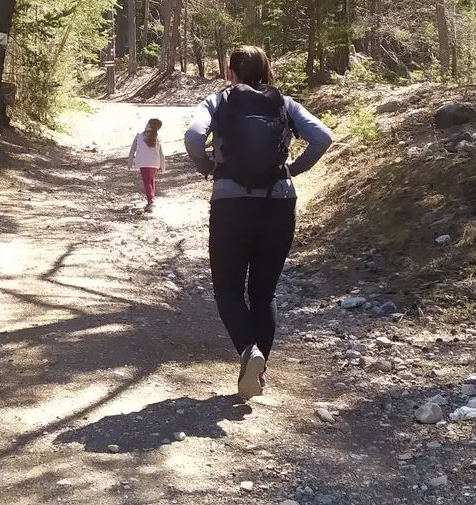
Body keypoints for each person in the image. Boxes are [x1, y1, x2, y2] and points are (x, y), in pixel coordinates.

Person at [184, 45, 334, 400]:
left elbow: (193, 136)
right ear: (267, 70)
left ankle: (248, 351)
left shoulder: (218, 100)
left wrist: (207, 166)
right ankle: (258, 370)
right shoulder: (284, 103)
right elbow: (322, 137)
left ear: (230, 73)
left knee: (228, 290)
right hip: (279, 203)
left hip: (231, 204)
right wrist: (292, 170)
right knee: (264, 292)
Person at [128, 118, 166, 212]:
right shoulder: (157, 138)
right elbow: (161, 153)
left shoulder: (139, 136)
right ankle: (152, 199)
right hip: (154, 163)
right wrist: (162, 165)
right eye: (148, 124)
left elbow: (132, 150)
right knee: (151, 180)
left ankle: (151, 201)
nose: (147, 125)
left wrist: (130, 163)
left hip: (144, 163)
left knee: (147, 182)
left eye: (149, 125)